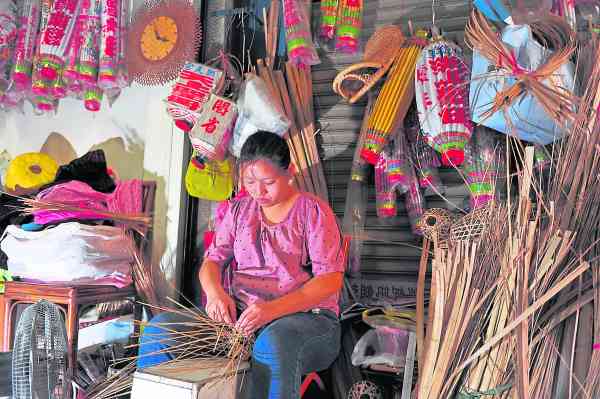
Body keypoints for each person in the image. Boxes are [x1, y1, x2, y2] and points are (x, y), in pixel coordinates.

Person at [137, 131, 346, 398]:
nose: (258, 191)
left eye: (268, 182)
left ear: (290, 171)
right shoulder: (239, 211)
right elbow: (212, 261)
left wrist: (271, 310)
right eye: (250, 181)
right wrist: (215, 295)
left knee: (273, 344)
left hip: (306, 321)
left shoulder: (312, 211)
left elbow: (330, 280)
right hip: (240, 322)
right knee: (160, 331)